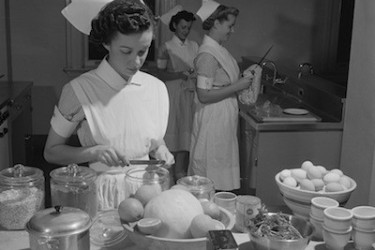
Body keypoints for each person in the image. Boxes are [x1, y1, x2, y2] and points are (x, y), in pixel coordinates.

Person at [44, 0, 174, 211]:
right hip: (103, 197)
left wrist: (161, 150)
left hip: (148, 192)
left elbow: (151, 141)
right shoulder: (79, 91)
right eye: (125, 51)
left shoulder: (156, 88)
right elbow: (51, 152)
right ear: (106, 43)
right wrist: (93, 152)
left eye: (143, 51)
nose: (136, 62)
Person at [189, 1, 262, 192]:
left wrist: (243, 79)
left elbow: (223, 81)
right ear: (216, 24)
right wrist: (237, 86)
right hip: (213, 116)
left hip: (222, 115)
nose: (233, 30)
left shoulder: (219, 50)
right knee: (211, 167)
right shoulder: (208, 55)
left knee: (219, 164)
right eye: (230, 25)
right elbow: (204, 95)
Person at [157, 8, 199, 183]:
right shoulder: (166, 47)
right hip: (172, 93)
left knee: (186, 131)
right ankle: (170, 171)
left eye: (188, 27)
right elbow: (160, 74)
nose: (186, 31)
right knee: (173, 129)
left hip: (190, 92)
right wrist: (179, 74)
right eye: (183, 27)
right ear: (174, 25)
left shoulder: (195, 46)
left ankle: (181, 172)